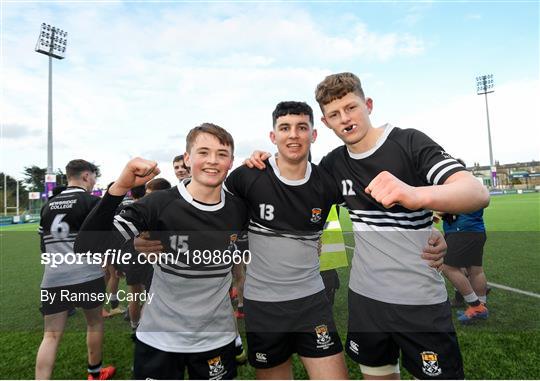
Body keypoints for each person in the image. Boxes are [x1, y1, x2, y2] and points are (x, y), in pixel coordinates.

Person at [247, 72, 489, 379]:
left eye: (351, 108)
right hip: (365, 299)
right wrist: (264, 161)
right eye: (334, 114)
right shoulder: (334, 164)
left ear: (368, 105)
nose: (345, 119)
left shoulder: (408, 142)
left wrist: (415, 195)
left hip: (419, 299)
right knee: (377, 374)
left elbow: (476, 192)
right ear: (325, 124)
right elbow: (295, 188)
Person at [229, 101, 447, 380]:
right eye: (284, 128)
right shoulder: (247, 176)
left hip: (311, 302)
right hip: (263, 304)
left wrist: (432, 230)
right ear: (273, 137)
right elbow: (211, 206)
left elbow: (377, 204)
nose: (293, 135)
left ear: (314, 134)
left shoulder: (327, 180)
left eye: (301, 128)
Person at [75, 123, 248, 380]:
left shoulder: (239, 209)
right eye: (203, 152)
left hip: (216, 338)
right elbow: (88, 246)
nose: (212, 161)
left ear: (231, 161)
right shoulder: (159, 203)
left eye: (222, 154)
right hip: (159, 338)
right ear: (188, 158)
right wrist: (119, 188)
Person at [36, 159, 115, 380]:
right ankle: (94, 374)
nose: (93, 182)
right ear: (87, 176)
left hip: (53, 277)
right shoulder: (91, 202)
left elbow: (43, 247)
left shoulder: (47, 205)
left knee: (50, 337)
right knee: (95, 322)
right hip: (87, 275)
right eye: (94, 178)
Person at [440, 159, 489, 324]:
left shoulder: (458, 185)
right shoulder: (471, 183)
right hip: (475, 231)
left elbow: (445, 207)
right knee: (475, 269)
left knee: (447, 266)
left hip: (462, 232)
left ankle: (475, 305)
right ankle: (481, 306)